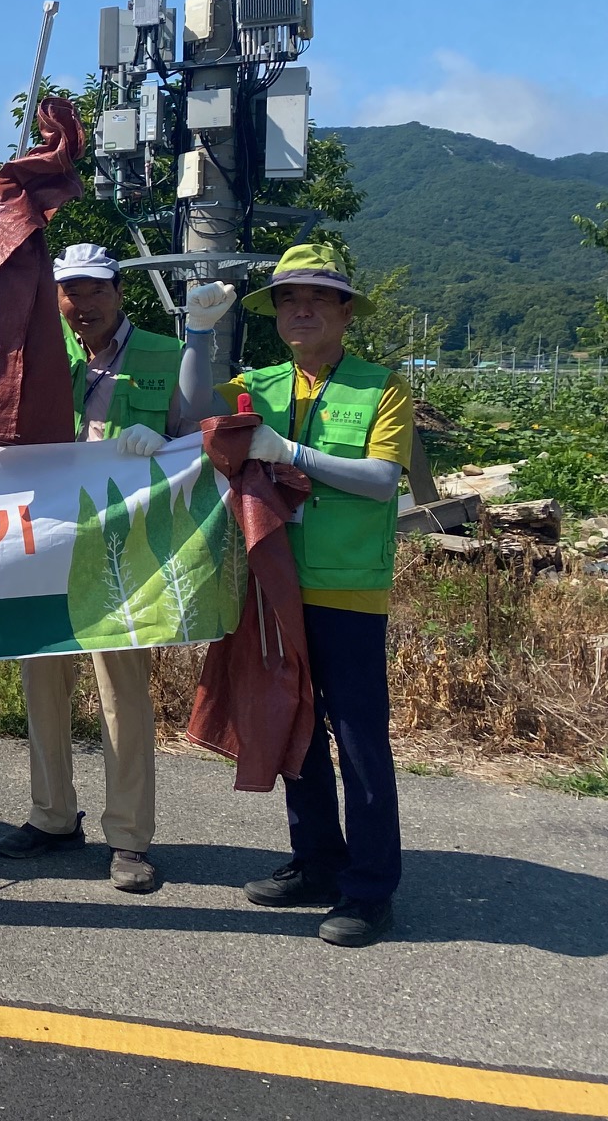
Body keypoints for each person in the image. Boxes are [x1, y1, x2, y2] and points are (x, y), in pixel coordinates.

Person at [191, 244, 410, 948]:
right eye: (288, 298)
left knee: (359, 738)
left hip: (348, 588)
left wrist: (292, 454)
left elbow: (381, 480)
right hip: (273, 583)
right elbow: (191, 413)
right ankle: (317, 860)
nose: (302, 310)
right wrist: (198, 334)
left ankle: (369, 889)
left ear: (346, 312)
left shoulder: (381, 387)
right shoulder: (257, 385)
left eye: (318, 298)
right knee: (294, 724)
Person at [0, 242, 212, 894]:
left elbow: (202, 436)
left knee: (122, 694)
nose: (81, 303)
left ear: (118, 292)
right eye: (70, 291)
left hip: (126, 551)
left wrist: (167, 443)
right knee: (42, 682)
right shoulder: (42, 355)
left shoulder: (165, 354)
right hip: (48, 543)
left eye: (94, 289)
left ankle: (129, 838)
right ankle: (53, 815)